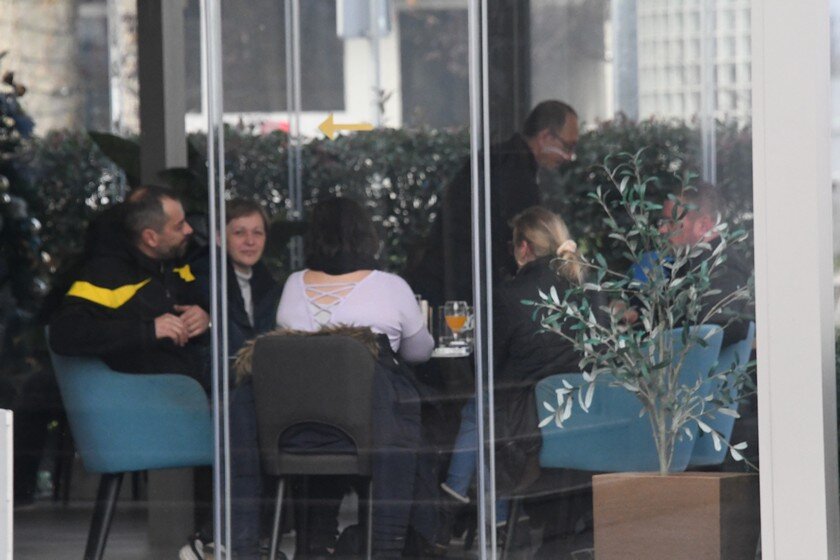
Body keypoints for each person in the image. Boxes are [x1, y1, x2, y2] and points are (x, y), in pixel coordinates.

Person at [229, 197, 435, 559]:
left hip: (294, 437)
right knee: (409, 410)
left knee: (329, 398)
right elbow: (420, 352)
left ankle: (314, 540)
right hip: (370, 436)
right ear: (367, 235)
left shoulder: (293, 285)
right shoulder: (391, 286)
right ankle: (394, 543)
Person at [435, 206, 588, 551]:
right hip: (583, 416)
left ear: (523, 248)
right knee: (486, 411)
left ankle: (456, 502)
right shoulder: (587, 287)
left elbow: (486, 363)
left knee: (482, 408)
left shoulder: (508, 295)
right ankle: (498, 520)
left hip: (525, 423)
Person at [406, 100, 579, 306]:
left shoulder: (500, 160)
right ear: (545, 137)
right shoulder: (514, 172)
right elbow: (516, 237)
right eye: (567, 146)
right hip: (465, 283)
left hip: (452, 276)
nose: (570, 157)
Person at [48, 184, 211, 384]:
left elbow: (202, 313)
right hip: (135, 395)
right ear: (150, 238)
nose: (189, 229)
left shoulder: (176, 262)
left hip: (190, 388)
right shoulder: (107, 274)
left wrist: (204, 318)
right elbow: (64, 334)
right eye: (179, 226)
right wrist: (148, 331)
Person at [658, 183, 753, 346]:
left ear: (703, 226)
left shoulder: (724, 271)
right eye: (661, 222)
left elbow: (719, 328)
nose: (662, 230)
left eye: (671, 223)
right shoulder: (690, 266)